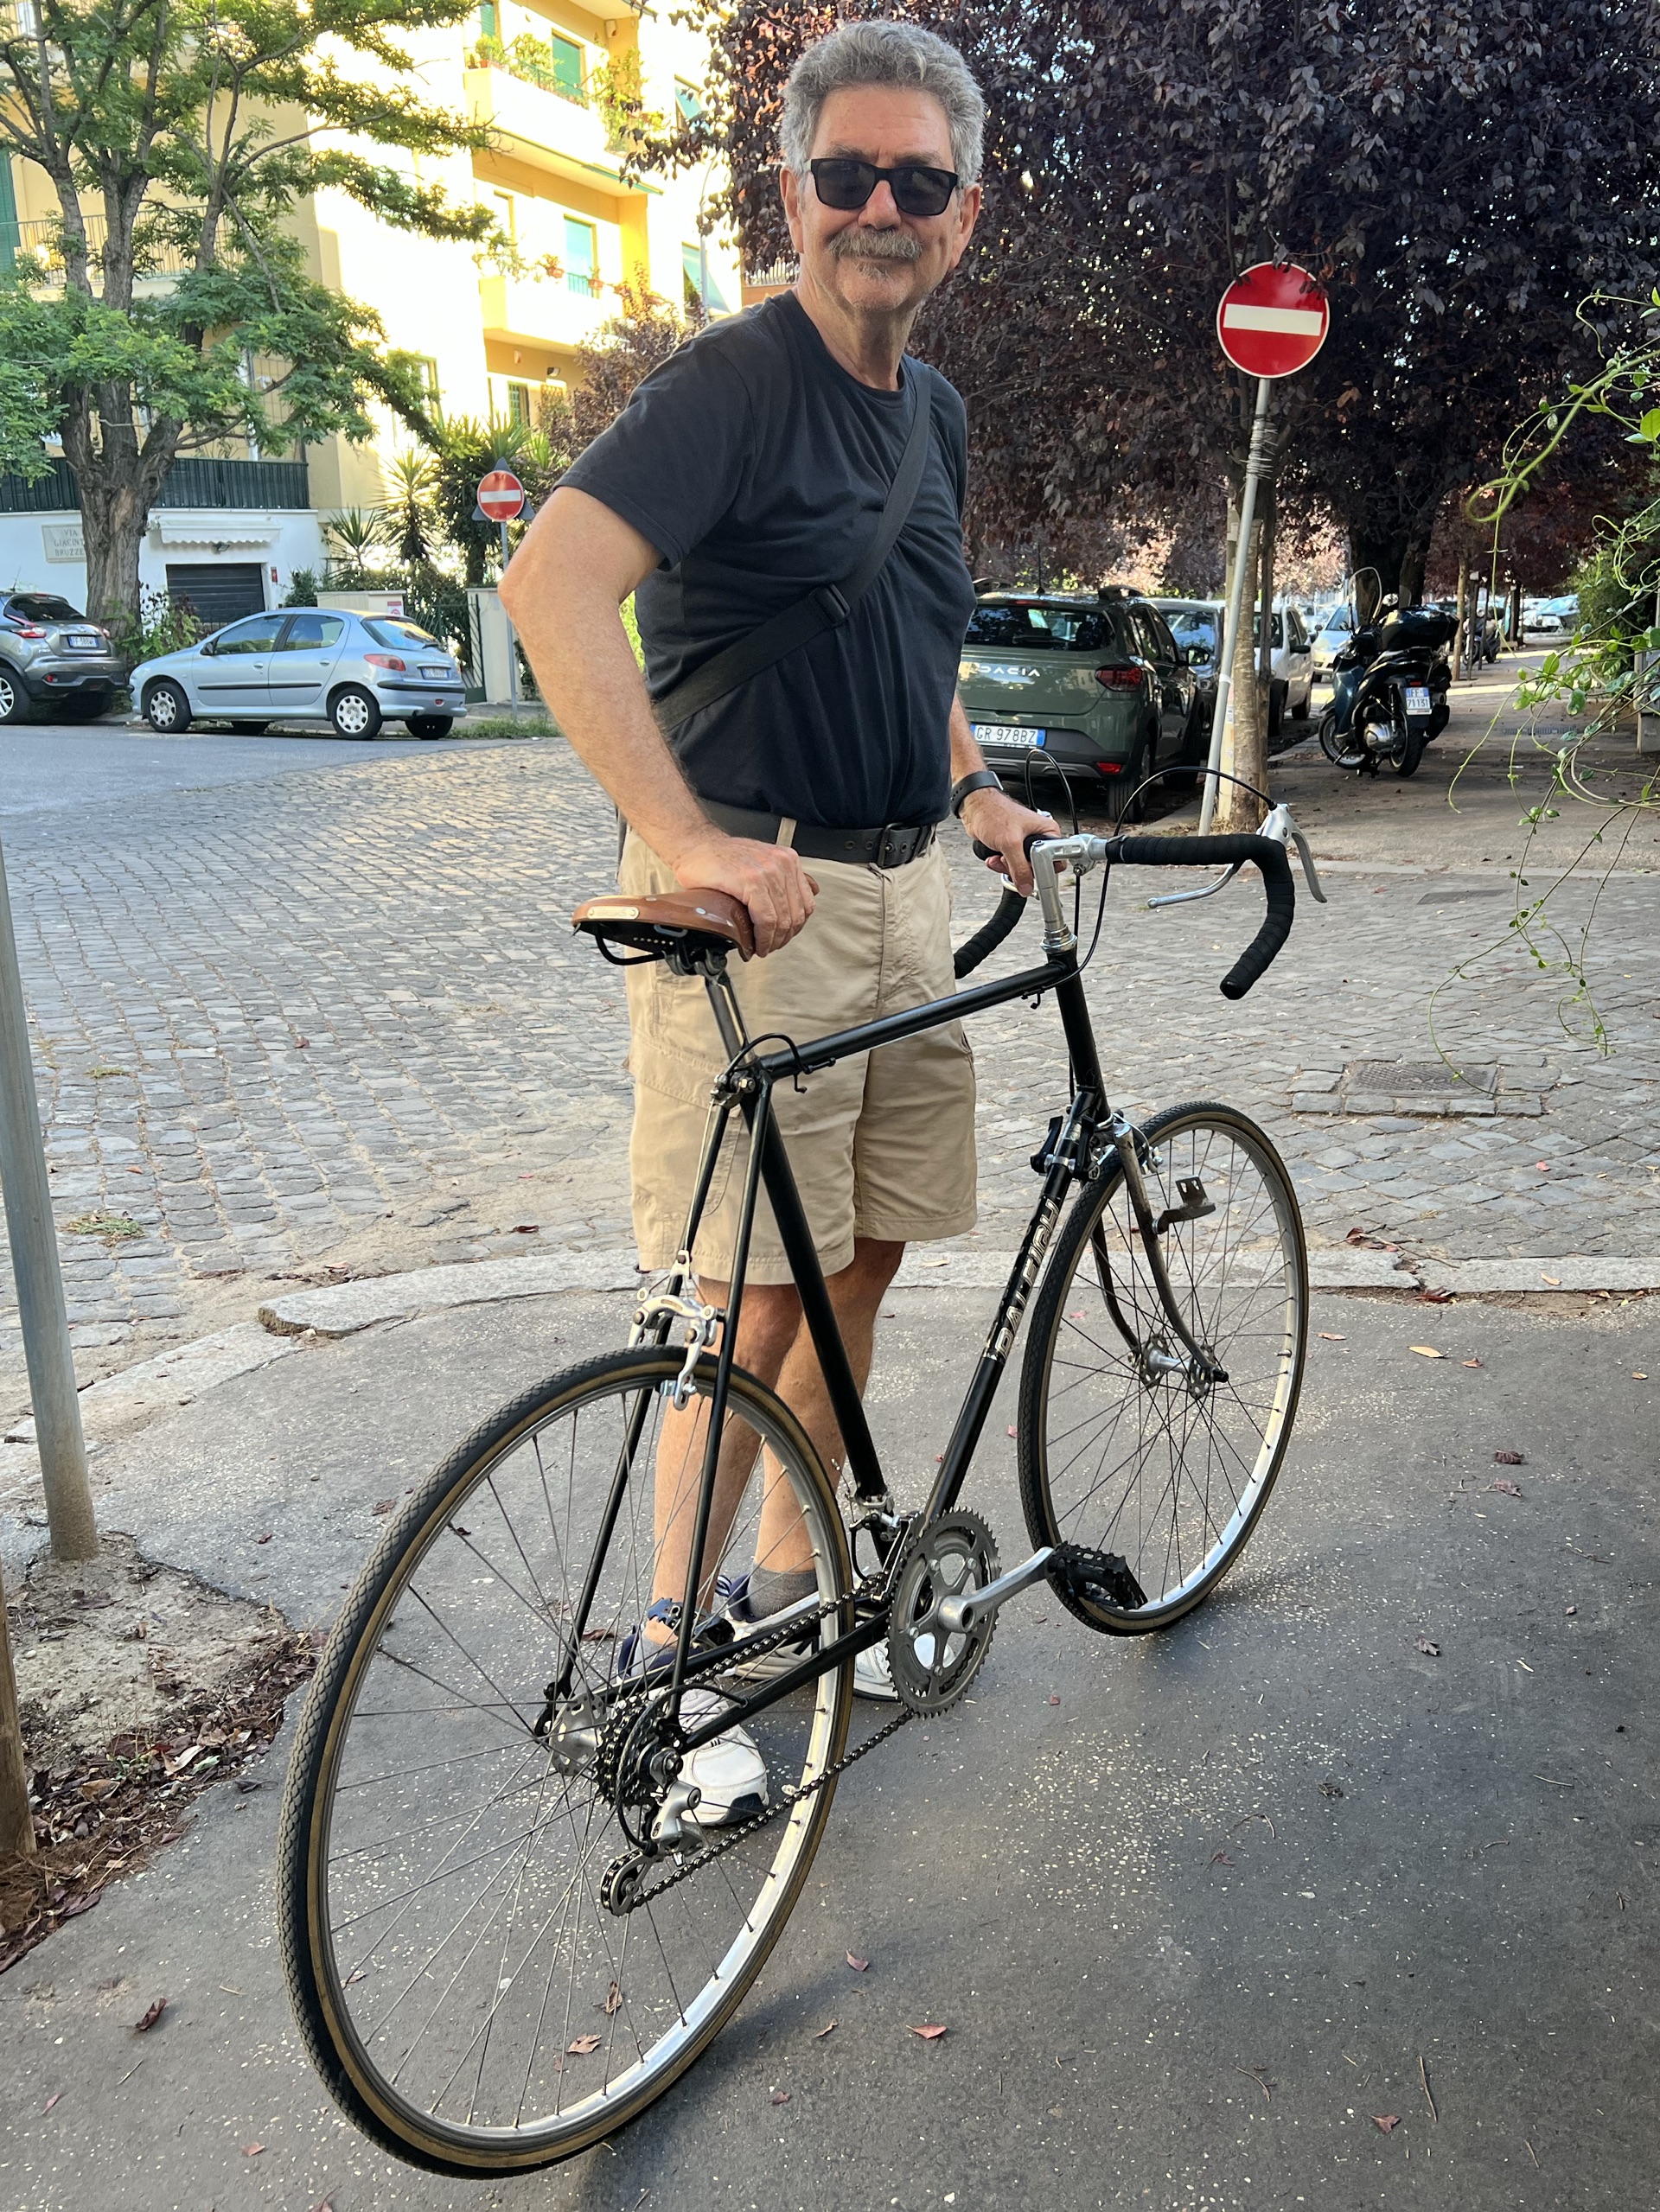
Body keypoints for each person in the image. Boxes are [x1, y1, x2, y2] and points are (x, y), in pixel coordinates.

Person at [501, 17, 1055, 1815]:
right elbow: (553, 579)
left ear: (964, 217)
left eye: (919, 181)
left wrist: (970, 780)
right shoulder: (733, 385)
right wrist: (677, 836)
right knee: (740, 1306)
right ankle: (664, 1683)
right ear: (795, 196)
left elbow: (915, 628)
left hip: (903, 887)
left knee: (871, 1250)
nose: (881, 207)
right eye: (848, 176)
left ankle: (787, 1588)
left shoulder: (942, 413)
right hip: (761, 904)